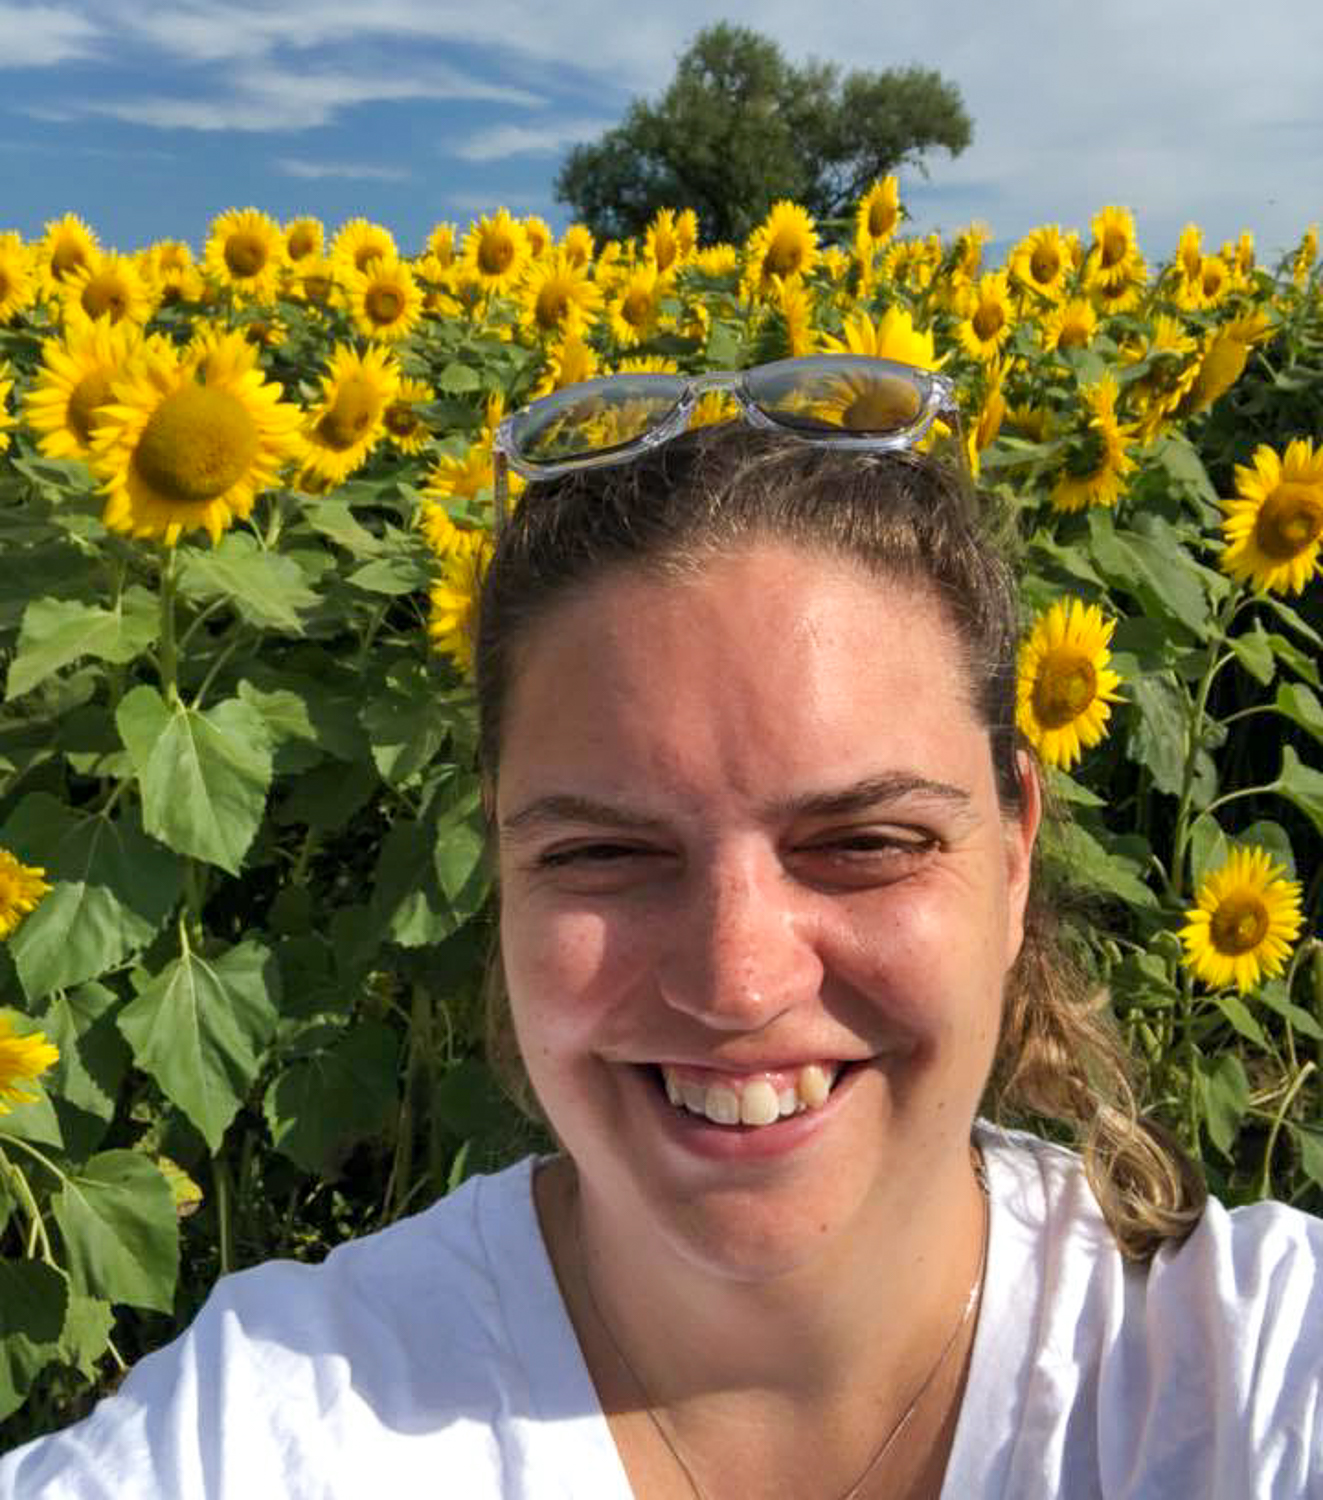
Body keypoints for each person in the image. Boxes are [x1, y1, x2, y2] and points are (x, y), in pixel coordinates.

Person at [2, 357, 1320, 1499]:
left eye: (863, 843)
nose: (739, 981)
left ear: (1017, 848)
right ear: (502, 869)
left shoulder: (1253, 1381)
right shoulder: (285, 1420)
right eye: (605, 854)